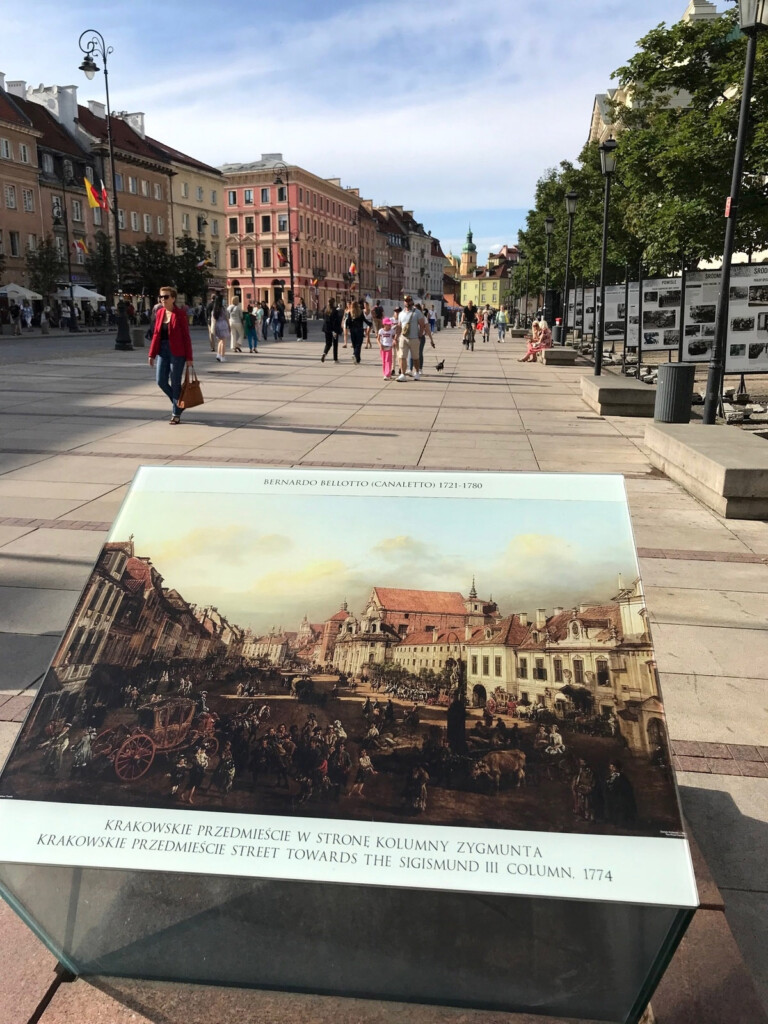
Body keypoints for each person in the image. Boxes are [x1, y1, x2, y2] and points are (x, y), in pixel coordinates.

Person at [148, 286, 194, 425]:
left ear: (173, 298)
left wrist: (189, 358)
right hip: (162, 351)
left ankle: (175, 413)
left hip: (177, 352)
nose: (163, 299)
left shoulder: (179, 314)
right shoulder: (160, 313)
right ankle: (180, 403)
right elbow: (156, 334)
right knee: (160, 381)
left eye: (166, 297)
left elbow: (186, 336)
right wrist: (151, 354)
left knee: (175, 382)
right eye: (161, 297)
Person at [394, 294, 434, 382]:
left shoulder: (417, 312)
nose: (407, 303)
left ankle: (417, 373)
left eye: (409, 301)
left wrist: (420, 336)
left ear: (412, 302)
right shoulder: (401, 314)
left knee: (415, 357)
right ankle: (403, 374)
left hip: (414, 338)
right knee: (402, 356)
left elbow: (422, 325)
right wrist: (396, 337)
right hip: (403, 338)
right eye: (406, 301)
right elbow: (399, 326)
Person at [321, 297, 342, 363]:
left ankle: (324, 353)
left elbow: (324, 317)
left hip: (327, 329)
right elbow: (337, 321)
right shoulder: (335, 310)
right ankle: (335, 359)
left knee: (328, 343)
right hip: (334, 330)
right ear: (334, 302)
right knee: (335, 344)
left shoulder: (325, 309)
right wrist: (339, 330)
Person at [212, 293, 230, 362]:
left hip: (217, 325)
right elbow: (226, 317)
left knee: (219, 341)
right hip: (223, 324)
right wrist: (229, 326)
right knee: (223, 342)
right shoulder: (222, 309)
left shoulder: (215, 309)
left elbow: (214, 318)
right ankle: (223, 356)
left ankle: (218, 354)